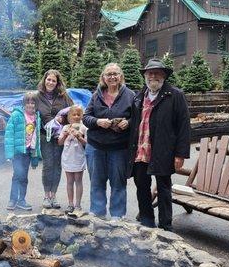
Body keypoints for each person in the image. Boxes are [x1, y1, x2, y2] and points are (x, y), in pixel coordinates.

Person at [128, 58, 190, 231]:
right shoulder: (139, 96)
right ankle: (147, 221)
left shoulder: (175, 95)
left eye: (157, 73)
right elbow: (134, 121)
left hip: (163, 151)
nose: (153, 76)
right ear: (145, 76)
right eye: (150, 73)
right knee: (142, 186)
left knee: (163, 189)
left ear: (163, 75)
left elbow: (184, 125)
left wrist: (181, 154)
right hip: (141, 150)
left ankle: (165, 226)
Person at [83, 63, 135, 220]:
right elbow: (86, 117)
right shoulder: (96, 95)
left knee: (118, 182)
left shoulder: (130, 95)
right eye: (109, 74)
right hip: (95, 146)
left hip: (119, 148)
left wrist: (129, 122)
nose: (112, 77)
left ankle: (117, 215)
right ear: (103, 77)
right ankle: (98, 213)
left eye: (115, 74)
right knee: (97, 181)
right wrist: (98, 122)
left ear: (120, 76)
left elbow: (139, 118)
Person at [36, 69, 74, 209]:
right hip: (44, 135)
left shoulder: (63, 96)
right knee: (47, 165)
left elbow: (73, 111)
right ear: (44, 80)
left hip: (60, 136)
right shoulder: (37, 96)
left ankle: (54, 195)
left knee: (57, 165)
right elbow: (30, 113)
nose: (50, 82)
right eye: (48, 79)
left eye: (53, 80)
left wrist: (62, 119)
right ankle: (46, 196)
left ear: (57, 83)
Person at [4, 91, 42, 211]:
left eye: (33, 103)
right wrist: (9, 154)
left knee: (24, 177)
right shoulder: (16, 115)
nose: (30, 105)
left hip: (28, 152)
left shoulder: (37, 117)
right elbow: (9, 135)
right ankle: (13, 199)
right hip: (17, 152)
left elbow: (37, 138)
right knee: (17, 175)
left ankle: (22, 200)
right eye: (28, 103)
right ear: (24, 104)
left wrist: (35, 156)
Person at [57, 105, 87, 213]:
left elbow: (86, 144)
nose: (76, 116)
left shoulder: (83, 128)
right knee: (69, 181)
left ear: (81, 116)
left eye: (78, 114)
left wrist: (79, 137)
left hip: (78, 157)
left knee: (78, 180)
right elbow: (59, 143)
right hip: (67, 157)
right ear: (69, 116)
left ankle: (78, 204)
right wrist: (65, 135)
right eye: (73, 114)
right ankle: (70, 204)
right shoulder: (65, 128)